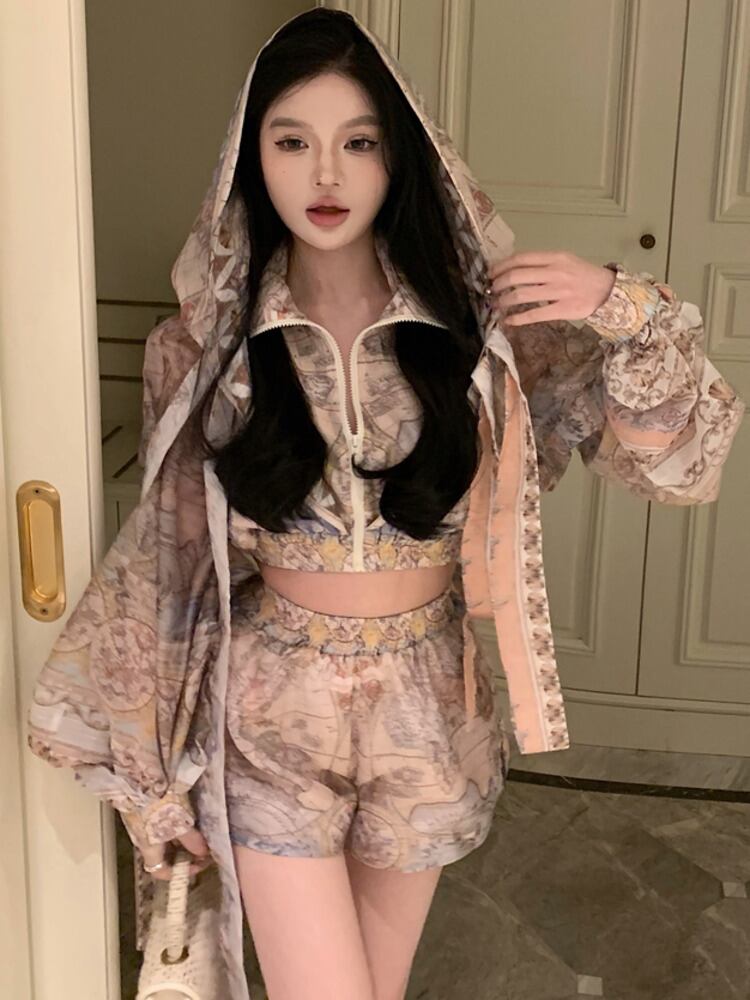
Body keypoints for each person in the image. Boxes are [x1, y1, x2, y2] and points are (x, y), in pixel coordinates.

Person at [26, 8, 745, 1000]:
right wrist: (152, 781)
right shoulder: (202, 346)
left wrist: (629, 306)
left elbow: (680, 468)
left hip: (430, 708)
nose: (326, 174)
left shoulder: (484, 335)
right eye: (292, 142)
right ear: (251, 159)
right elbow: (167, 560)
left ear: (399, 157)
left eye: (358, 142)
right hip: (268, 717)